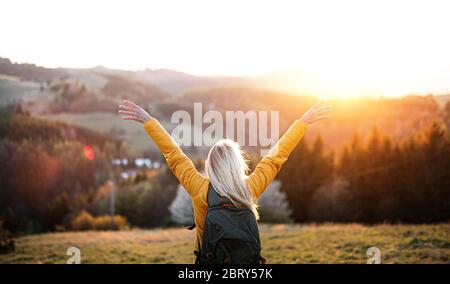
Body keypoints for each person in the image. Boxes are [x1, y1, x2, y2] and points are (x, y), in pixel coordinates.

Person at [119, 99, 331, 263]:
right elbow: (276, 157)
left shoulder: (199, 189)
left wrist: (149, 121)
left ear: (211, 166)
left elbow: (174, 155)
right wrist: (302, 123)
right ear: (237, 165)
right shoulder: (249, 188)